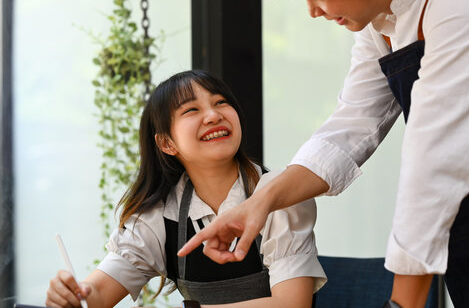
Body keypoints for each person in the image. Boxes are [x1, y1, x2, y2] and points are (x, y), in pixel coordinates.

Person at [178, 0, 469, 307]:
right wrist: (261, 202)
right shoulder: (383, 11)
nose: (313, 11)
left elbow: (436, 163)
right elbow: (354, 123)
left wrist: (402, 304)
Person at [46, 70, 326, 308]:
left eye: (221, 103)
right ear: (167, 143)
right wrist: (73, 295)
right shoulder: (158, 215)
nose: (213, 115)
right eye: (192, 110)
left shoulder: (279, 193)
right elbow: (99, 292)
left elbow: (291, 304)